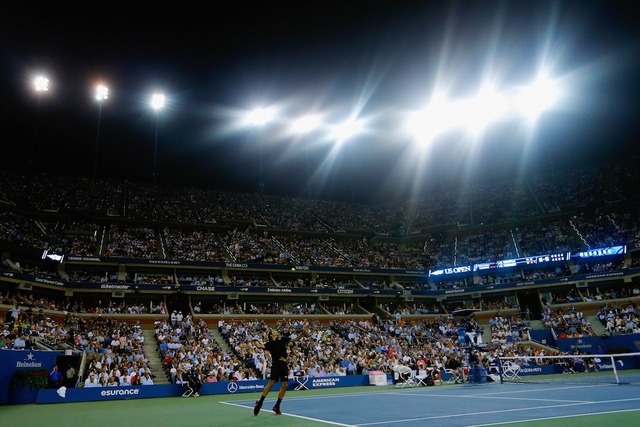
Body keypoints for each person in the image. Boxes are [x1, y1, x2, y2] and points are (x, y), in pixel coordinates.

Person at [252, 327, 305, 416]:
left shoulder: (283, 339)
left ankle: (277, 406)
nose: (275, 331)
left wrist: (303, 333)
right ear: (271, 335)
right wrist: (255, 341)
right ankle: (260, 402)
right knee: (272, 382)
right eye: (274, 330)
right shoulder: (269, 343)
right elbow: (260, 346)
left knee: (285, 385)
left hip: (283, 364)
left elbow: (296, 339)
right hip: (276, 363)